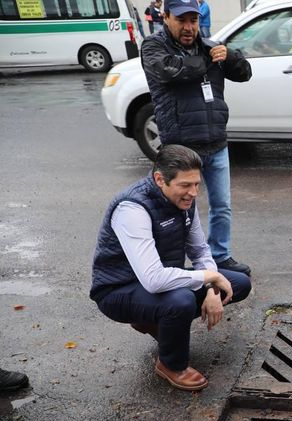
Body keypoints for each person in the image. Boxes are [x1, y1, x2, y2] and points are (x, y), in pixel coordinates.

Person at [90, 145, 252, 391]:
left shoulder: (185, 201)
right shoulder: (132, 208)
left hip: (161, 280)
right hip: (118, 289)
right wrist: (210, 275)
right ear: (159, 179)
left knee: (238, 283)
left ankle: (155, 321)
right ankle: (170, 364)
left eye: (197, 184)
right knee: (181, 301)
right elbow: (154, 279)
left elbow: (199, 250)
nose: (193, 192)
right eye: (185, 185)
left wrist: (211, 289)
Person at [141, 0, 253, 275]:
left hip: (215, 141)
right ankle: (171, 263)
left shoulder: (210, 47)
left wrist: (231, 57)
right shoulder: (154, 47)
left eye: (193, 20)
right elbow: (172, 70)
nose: (189, 27)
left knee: (222, 206)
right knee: (177, 208)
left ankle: (221, 257)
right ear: (166, 17)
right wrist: (207, 59)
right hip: (180, 146)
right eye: (182, 20)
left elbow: (244, 73)